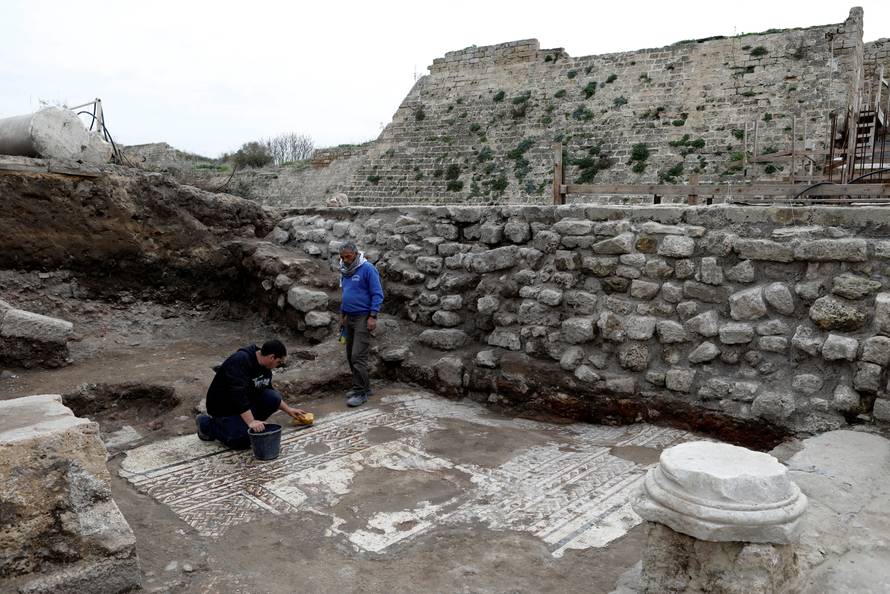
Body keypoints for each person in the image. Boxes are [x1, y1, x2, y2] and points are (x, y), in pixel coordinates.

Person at [195, 339, 308, 449]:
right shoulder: (240, 361)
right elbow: (238, 396)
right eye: (278, 362)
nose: (278, 365)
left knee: (273, 398)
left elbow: (267, 388)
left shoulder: (264, 366)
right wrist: (251, 421)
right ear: (271, 357)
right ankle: (206, 424)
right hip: (224, 409)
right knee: (242, 440)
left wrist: (289, 410)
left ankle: (247, 425)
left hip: (243, 405)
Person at [338, 241, 384, 407]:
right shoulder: (344, 270)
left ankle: (361, 392)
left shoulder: (368, 269)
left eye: (348, 256)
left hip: (363, 317)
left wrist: (373, 316)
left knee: (358, 355)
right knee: (350, 354)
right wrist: (343, 315)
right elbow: (345, 292)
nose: (345, 260)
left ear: (356, 254)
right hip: (349, 316)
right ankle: (364, 387)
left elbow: (377, 294)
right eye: (342, 257)